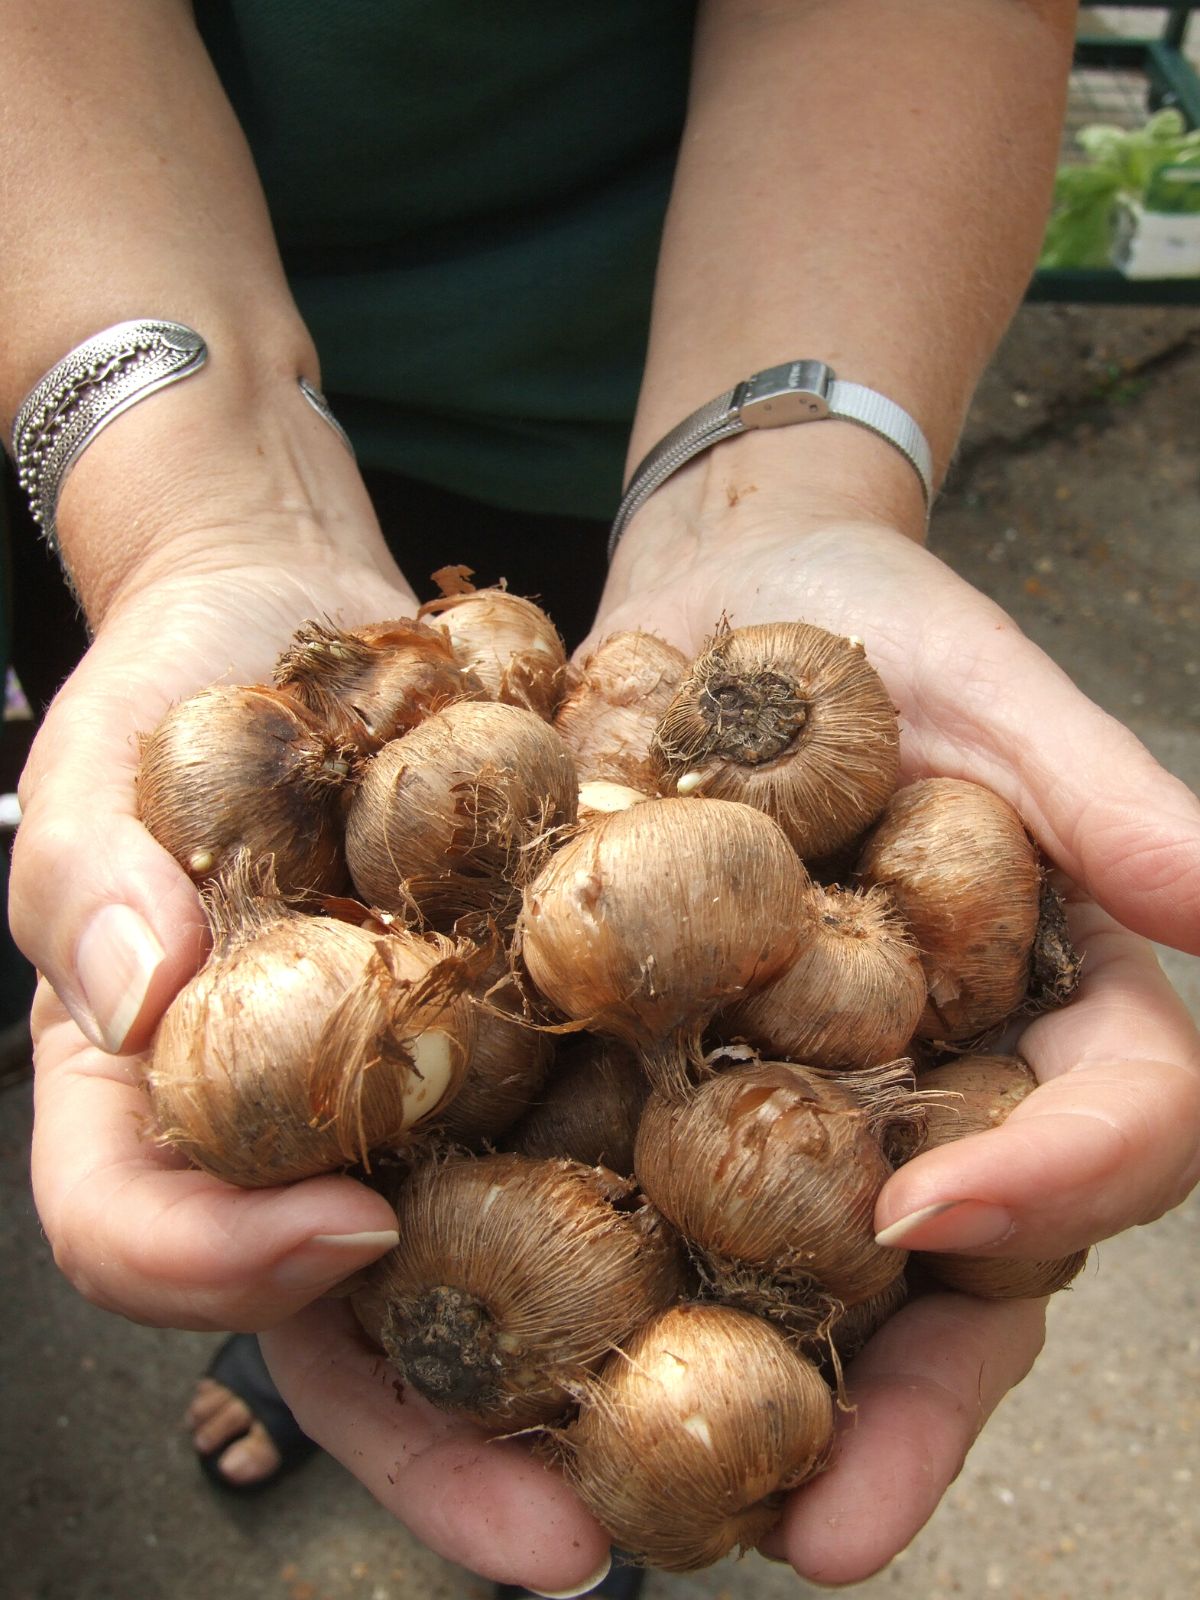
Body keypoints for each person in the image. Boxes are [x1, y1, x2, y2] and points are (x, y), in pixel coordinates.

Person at [5, 2, 1200, 1595]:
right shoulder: (415, 787)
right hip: (139, 393)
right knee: (306, 1226)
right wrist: (185, 519)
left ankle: (417, 1316)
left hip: (668, 384)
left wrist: (781, 471)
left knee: (347, 1210)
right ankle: (328, 1291)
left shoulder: (679, 805)